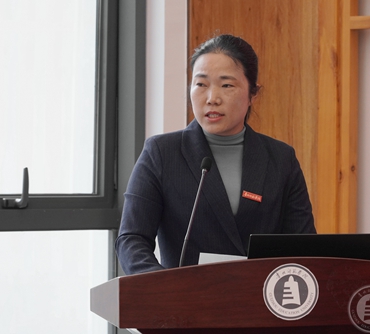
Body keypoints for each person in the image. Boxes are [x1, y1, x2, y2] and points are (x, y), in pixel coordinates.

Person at [115, 34, 316, 275]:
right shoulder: (161, 153)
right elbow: (131, 239)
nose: (212, 99)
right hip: (186, 296)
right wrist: (162, 287)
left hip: (261, 294)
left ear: (253, 94)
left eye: (227, 85)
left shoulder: (281, 159)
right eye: (201, 84)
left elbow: (303, 247)